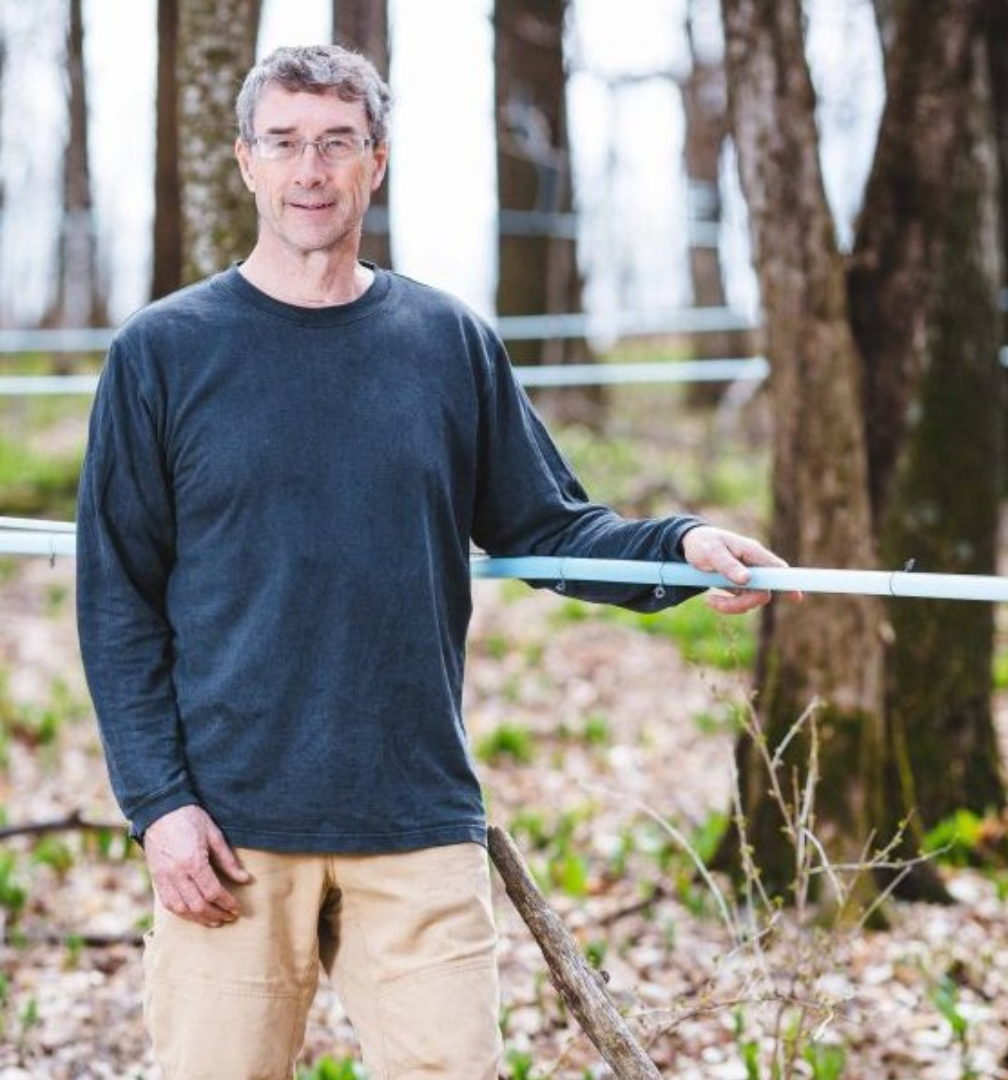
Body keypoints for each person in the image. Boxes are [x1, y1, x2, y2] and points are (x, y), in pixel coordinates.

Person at [76, 44, 791, 1080]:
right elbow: (117, 599)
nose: (309, 170)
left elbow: (548, 525)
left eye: (336, 143)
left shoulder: (445, 342)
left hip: (413, 819)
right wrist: (157, 805)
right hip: (229, 830)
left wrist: (677, 550)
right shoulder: (163, 353)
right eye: (283, 143)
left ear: (377, 161)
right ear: (245, 163)